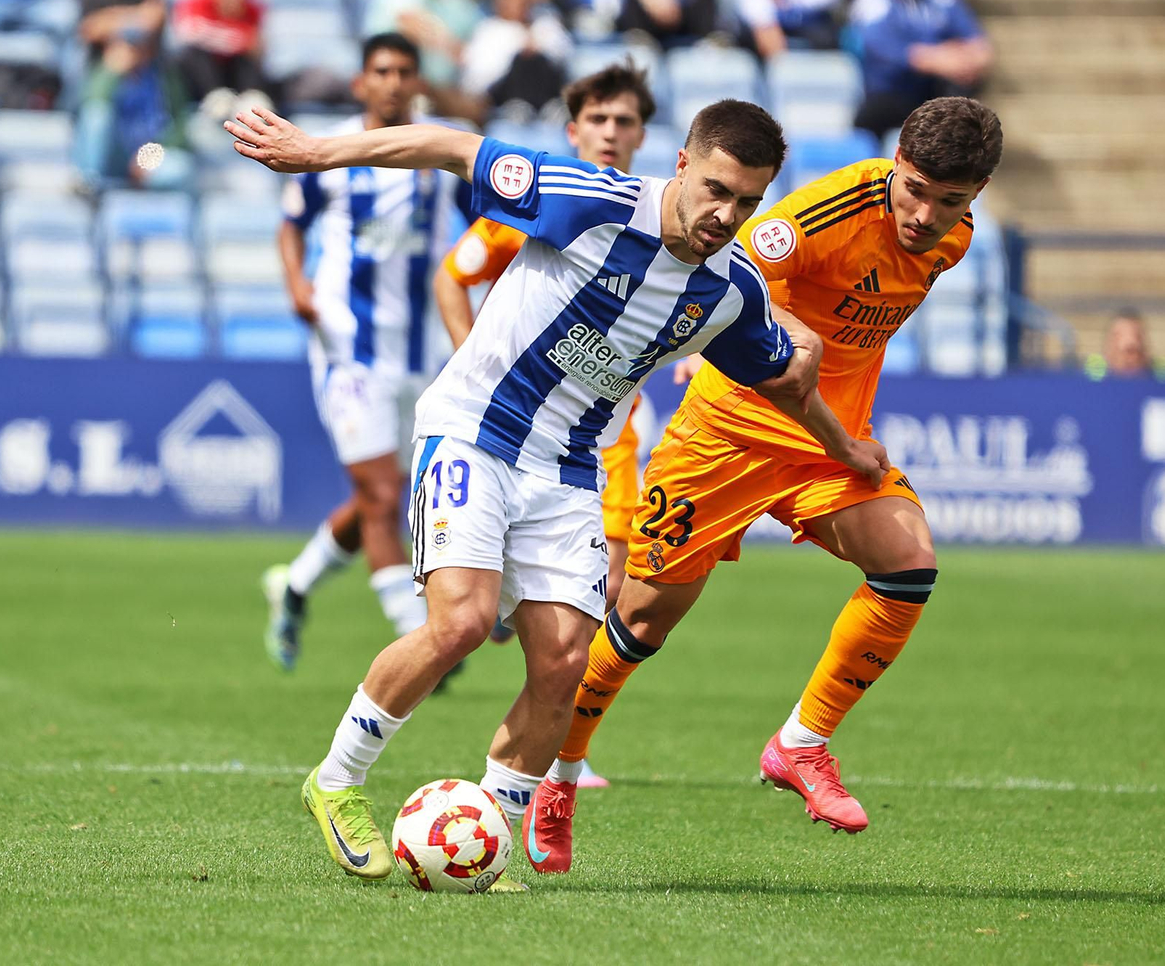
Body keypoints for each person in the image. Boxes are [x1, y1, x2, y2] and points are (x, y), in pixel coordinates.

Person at [228, 98, 890, 888]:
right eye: (716, 188)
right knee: (462, 622)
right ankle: (336, 781)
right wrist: (316, 152)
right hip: (473, 429)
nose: (726, 214)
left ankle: (486, 835)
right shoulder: (590, 199)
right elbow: (451, 145)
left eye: (746, 201)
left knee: (564, 660)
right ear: (683, 164)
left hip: (570, 470)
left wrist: (843, 445)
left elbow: (783, 379)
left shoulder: (733, 290)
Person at [524, 97, 1003, 873]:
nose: (925, 216)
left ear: (975, 195)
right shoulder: (822, 214)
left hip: (828, 446)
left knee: (910, 563)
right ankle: (561, 773)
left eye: (949, 201)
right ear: (896, 163)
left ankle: (801, 743)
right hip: (727, 435)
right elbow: (731, 272)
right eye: (915, 190)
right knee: (641, 622)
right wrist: (746, 340)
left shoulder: (955, 238)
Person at [433, 61, 659, 792]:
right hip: (515, 430)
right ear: (573, 130)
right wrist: (470, 354)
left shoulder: (660, 221)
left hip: (604, 438)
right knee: (519, 604)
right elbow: (453, 274)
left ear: (642, 134)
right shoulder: (550, 201)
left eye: (624, 121)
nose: (611, 132)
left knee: (609, 588)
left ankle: (565, 756)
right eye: (598, 120)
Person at [258, 34, 454, 672]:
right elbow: (291, 225)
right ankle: (419, 642)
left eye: (404, 71)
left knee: (386, 494)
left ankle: (294, 585)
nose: (393, 82)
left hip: (420, 352)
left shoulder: (438, 151)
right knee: (381, 496)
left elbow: (487, 224)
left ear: (417, 81)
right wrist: (297, 284)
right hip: (347, 347)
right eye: (382, 71)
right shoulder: (332, 151)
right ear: (360, 82)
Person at [850, 0, 990, 138]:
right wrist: (942, 58)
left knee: (962, 97)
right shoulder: (872, 3)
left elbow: (979, 46)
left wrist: (966, 61)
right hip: (889, 94)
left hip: (932, 91)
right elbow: (895, 53)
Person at [74, 22, 192, 191]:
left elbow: (181, 121)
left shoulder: (165, 76)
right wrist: (112, 73)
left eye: (139, 47)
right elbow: (90, 107)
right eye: (127, 47)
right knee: (97, 114)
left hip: (151, 156)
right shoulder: (104, 73)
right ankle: (90, 183)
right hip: (115, 154)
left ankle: (141, 186)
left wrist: (148, 157)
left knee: (180, 168)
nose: (133, 53)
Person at [170, 0, 270, 105]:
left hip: (233, 75)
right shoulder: (195, 0)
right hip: (201, 77)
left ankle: (250, 97)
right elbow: (188, 34)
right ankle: (215, 97)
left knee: (247, 60)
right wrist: (235, 40)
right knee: (194, 53)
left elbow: (257, 47)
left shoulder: (252, 7)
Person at [459, 0, 572, 117]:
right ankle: (517, 107)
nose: (516, 9)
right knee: (521, 59)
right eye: (510, 4)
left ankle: (548, 108)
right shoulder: (488, 29)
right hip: (502, 90)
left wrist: (533, 42)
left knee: (534, 59)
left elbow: (562, 53)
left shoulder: (543, 25)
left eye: (522, 4)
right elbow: (479, 68)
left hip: (542, 88)